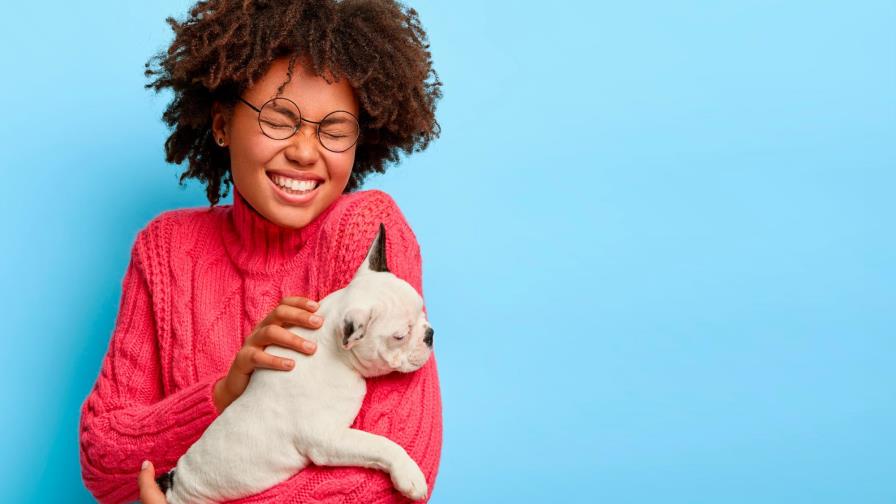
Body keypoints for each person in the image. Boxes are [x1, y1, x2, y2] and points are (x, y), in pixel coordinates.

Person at [78, 1, 443, 502]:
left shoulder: (369, 235)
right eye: (279, 119)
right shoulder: (165, 250)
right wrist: (224, 395)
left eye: (334, 130)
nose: (305, 150)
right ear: (223, 125)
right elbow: (104, 458)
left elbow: (400, 464)